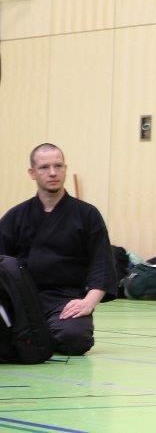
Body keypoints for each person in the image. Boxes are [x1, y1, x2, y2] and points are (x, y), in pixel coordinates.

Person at [0, 144, 117, 356]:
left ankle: (29, 337)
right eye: (44, 167)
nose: (53, 172)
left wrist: (88, 302)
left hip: (65, 301)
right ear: (32, 173)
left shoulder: (87, 214)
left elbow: (102, 264)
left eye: (58, 166)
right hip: (21, 299)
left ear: (65, 168)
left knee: (74, 339)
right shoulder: (15, 216)